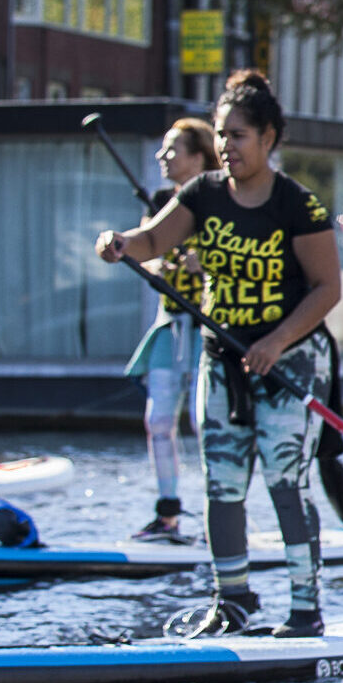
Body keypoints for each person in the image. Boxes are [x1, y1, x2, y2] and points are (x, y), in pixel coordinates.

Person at [96, 69, 342, 636]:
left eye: (238, 135)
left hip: (291, 362)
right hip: (222, 358)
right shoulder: (202, 194)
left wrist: (275, 342)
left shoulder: (297, 207)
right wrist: (119, 244)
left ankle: (305, 609)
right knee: (222, 484)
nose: (227, 146)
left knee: (285, 481)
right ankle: (232, 600)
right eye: (221, 134)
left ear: (268, 139)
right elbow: (154, 241)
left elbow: (329, 290)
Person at [125, 118, 216, 540]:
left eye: (172, 150)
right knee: (158, 420)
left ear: (197, 157)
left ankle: (223, 512)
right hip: (168, 325)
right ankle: (167, 514)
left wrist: (206, 262)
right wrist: (154, 261)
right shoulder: (162, 199)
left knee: (205, 424)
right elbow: (146, 245)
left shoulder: (218, 198)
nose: (163, 157)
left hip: (207, 328)